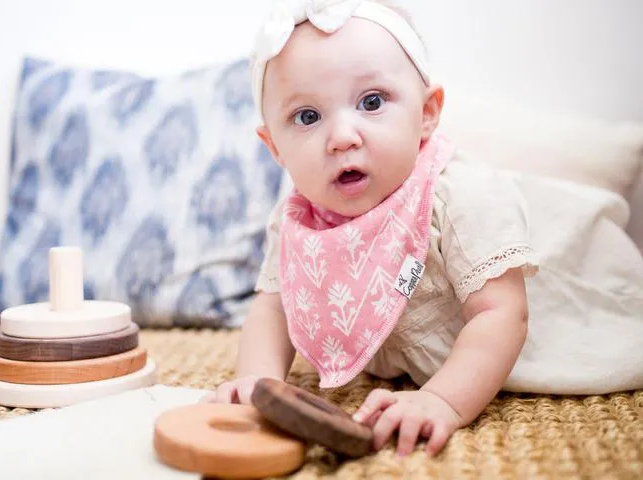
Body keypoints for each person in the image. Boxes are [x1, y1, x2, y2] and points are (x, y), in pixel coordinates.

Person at [201, 0, 643, 458]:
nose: (342, 136)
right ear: (274, 146)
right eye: (307, 117)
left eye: (372, 102)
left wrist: (442, 399)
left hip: (552, 299)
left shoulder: (458, 197)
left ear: (427, 112)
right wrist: (260, 381)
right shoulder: (297, 220)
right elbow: (274, 306)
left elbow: (502, 313)